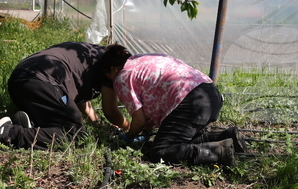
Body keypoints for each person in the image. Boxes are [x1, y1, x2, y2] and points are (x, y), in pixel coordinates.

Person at [104, 45, 245, 166]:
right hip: (209, 94)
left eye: (108, 77)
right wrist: (147, 131)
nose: (111, 82)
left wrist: (129, 137)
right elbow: (148, 112)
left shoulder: (122, 77)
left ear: (113, 69)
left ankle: (219, 152)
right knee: (180, 139)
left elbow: (139, 120)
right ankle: (228, 137)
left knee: (161, 151)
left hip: (189, 100)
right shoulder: (145, 59)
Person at [0, 41, 122, 149]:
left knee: (62, 122)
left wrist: (97, 123)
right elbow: (111, 112)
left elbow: (80, 98)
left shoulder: (91, 55)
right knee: (75, 134)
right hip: (42, 81)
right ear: (115, 70)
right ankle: (10, 133)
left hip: (19, 80)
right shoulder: (112, 69)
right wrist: (129, 128)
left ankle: (32, 127)